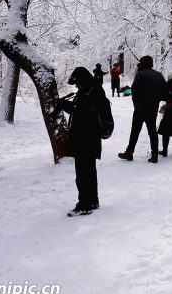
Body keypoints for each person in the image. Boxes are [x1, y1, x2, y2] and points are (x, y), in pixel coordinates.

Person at [58, 67, 112, 216]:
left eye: (77, 83)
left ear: (83, 81)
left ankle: (84, 204)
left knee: (83, 174)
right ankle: (92, 201)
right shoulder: (85, 91)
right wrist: (65, 105)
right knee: (87, 172)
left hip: (87, 138)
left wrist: (70, 106)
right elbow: (79, 110)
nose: (76, 86)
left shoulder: (95, 91)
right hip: (83, 138)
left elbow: (87, 112)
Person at [117, 55, 165, 163]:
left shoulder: (140, 74)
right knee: (152, 131)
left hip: (140, 107)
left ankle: (129, 152)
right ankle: (155, 154)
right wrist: (156, 100)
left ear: (142, 63)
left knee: (135, 130)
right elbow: (164, 92)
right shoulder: (159, 75)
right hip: (153, 107)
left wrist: (136, 103)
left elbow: (135, 90)